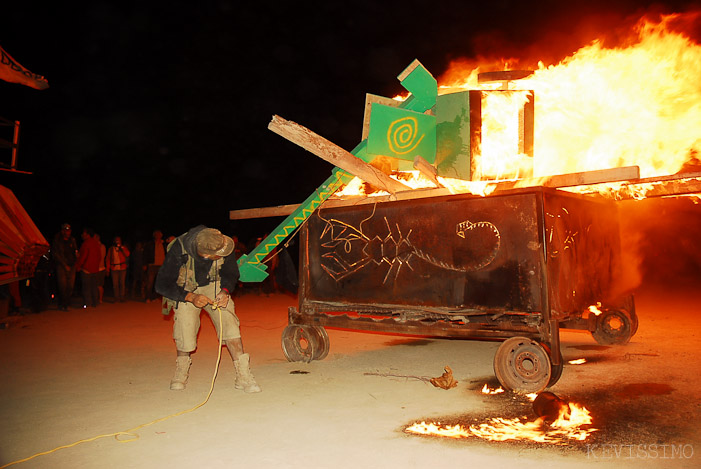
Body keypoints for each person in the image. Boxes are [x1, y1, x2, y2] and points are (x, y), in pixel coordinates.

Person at [155, 225, 260, 393]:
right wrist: (191, 297)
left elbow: (231, 273)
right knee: (185, 324)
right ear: (205, 256)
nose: (224, 254)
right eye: (218, 256)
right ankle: (181, 372)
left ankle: (243, 375)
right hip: (187, 289)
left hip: (214, 285)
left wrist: (225, 291)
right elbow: (162, 284)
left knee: (229, 322)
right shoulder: (178, 249)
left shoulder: (221, 242)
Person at [52, 223, 78, 310]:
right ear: (63, 231)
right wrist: (64, 264)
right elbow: (56, 254)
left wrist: (77, 256)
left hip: (72, 265)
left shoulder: (72, 240)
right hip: (61, 266)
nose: (68, 232)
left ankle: (67, 302)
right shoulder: (58, 240)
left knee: (70, 286)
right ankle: (63, 304)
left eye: (69, 230)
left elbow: (75, 250)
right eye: (66, 230)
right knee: (62, 285)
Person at [75, 228, 102, 308]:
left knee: (86, 287)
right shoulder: (96, 243)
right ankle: (95, 302)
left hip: (86, 268)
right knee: (94, 286)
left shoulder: (86, 244)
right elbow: (99, 256)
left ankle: (87, 303)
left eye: (83, 234)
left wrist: (78, 265)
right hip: (95, 268)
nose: (82, 235)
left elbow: (83, 256)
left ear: (87, 234)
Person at [106, 236, 130, 302]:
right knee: (115, 284)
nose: (117, 241)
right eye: (116, 240)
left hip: (122, 267)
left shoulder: (123, 248)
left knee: (122, 283)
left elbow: (127, 254)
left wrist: (122, 249)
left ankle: (122, 297)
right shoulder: (111, 249)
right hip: (114, 268)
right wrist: (107, 269)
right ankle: (116, 297)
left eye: (118, 240)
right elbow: (108, 259)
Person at [144, 230, 166, 302]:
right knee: (150, 282)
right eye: (156, 235)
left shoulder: (164, 244)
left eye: (159, 234)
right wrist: (144, 264)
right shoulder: (150, 244)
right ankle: (148, 297)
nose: (158, 236)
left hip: (161, 265)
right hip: (152, 265)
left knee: (160, 283)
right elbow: (145, 254)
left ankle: (157, 297)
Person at [95, 233, 107, 304]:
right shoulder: (95, 246)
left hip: (100, 268)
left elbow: (101, 257)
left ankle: (100, 299)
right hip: (95, 268)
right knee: (95, 285)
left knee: (99, 285)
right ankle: (96, 298)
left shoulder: (102, 246)